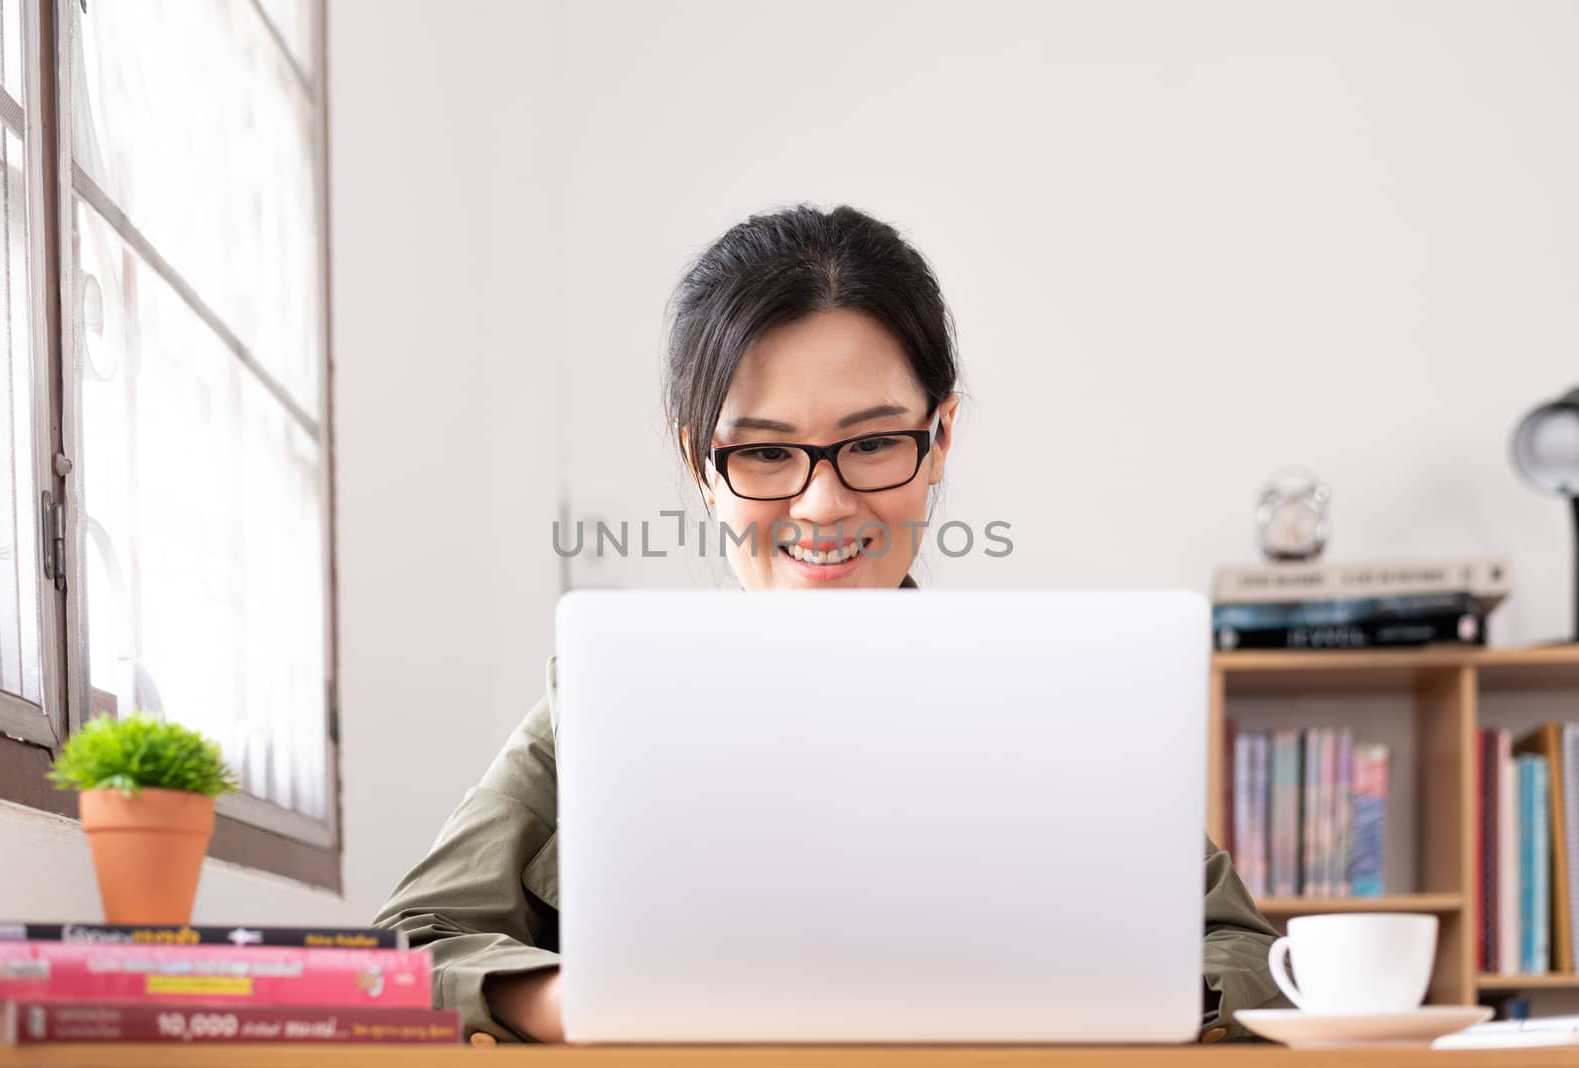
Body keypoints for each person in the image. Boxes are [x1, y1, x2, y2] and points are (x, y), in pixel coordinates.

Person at [373, 203, 1288, 1044]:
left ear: (941, 439)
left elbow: (1251, 962)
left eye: (873, 444)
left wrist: (1127, 1000)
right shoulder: (607, 706)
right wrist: (569, 1002)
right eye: (765, 452)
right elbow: (406, 946)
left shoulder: (1053, 697)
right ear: (700, 465)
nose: (821, 504)